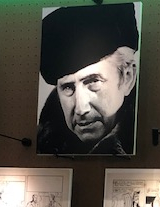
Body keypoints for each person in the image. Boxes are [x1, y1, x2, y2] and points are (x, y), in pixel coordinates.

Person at [37, 3, 140, 155]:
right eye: (68, 87)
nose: (81, 109)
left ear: (127, 78)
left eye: (93, 81)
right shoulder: (45, 140)